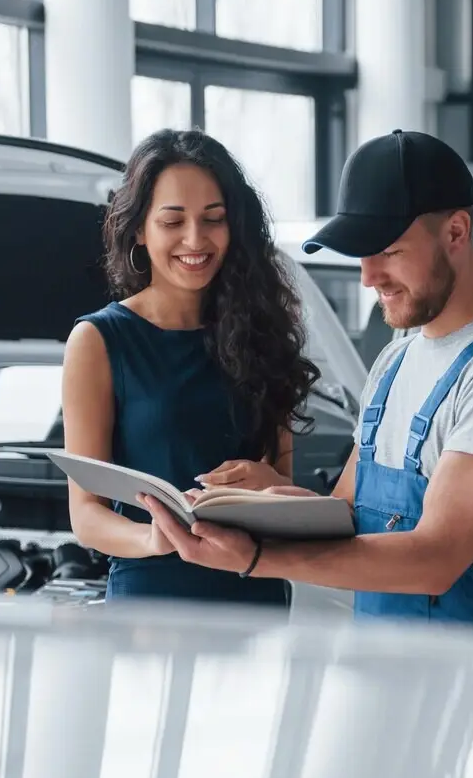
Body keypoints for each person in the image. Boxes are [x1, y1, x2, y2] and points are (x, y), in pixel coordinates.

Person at [141, 128, 473, 634]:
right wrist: (262, 501)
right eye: (360, 255)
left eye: (388, 251)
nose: (368, 277)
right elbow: (348, 513)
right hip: (385, 669)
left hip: (470, 685)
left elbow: (434, 560)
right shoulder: (397, 360)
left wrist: (257, 556)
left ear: (456, 232)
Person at [62, 128, 319, 604]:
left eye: (213, 219)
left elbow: (285, 485)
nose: (195, 239)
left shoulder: (263, 334)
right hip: (152, 596)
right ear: (139, 228)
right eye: (173, 221)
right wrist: (153, 539)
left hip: (254, 591)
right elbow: (86, 513)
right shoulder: (99, 341)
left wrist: (271, 487)